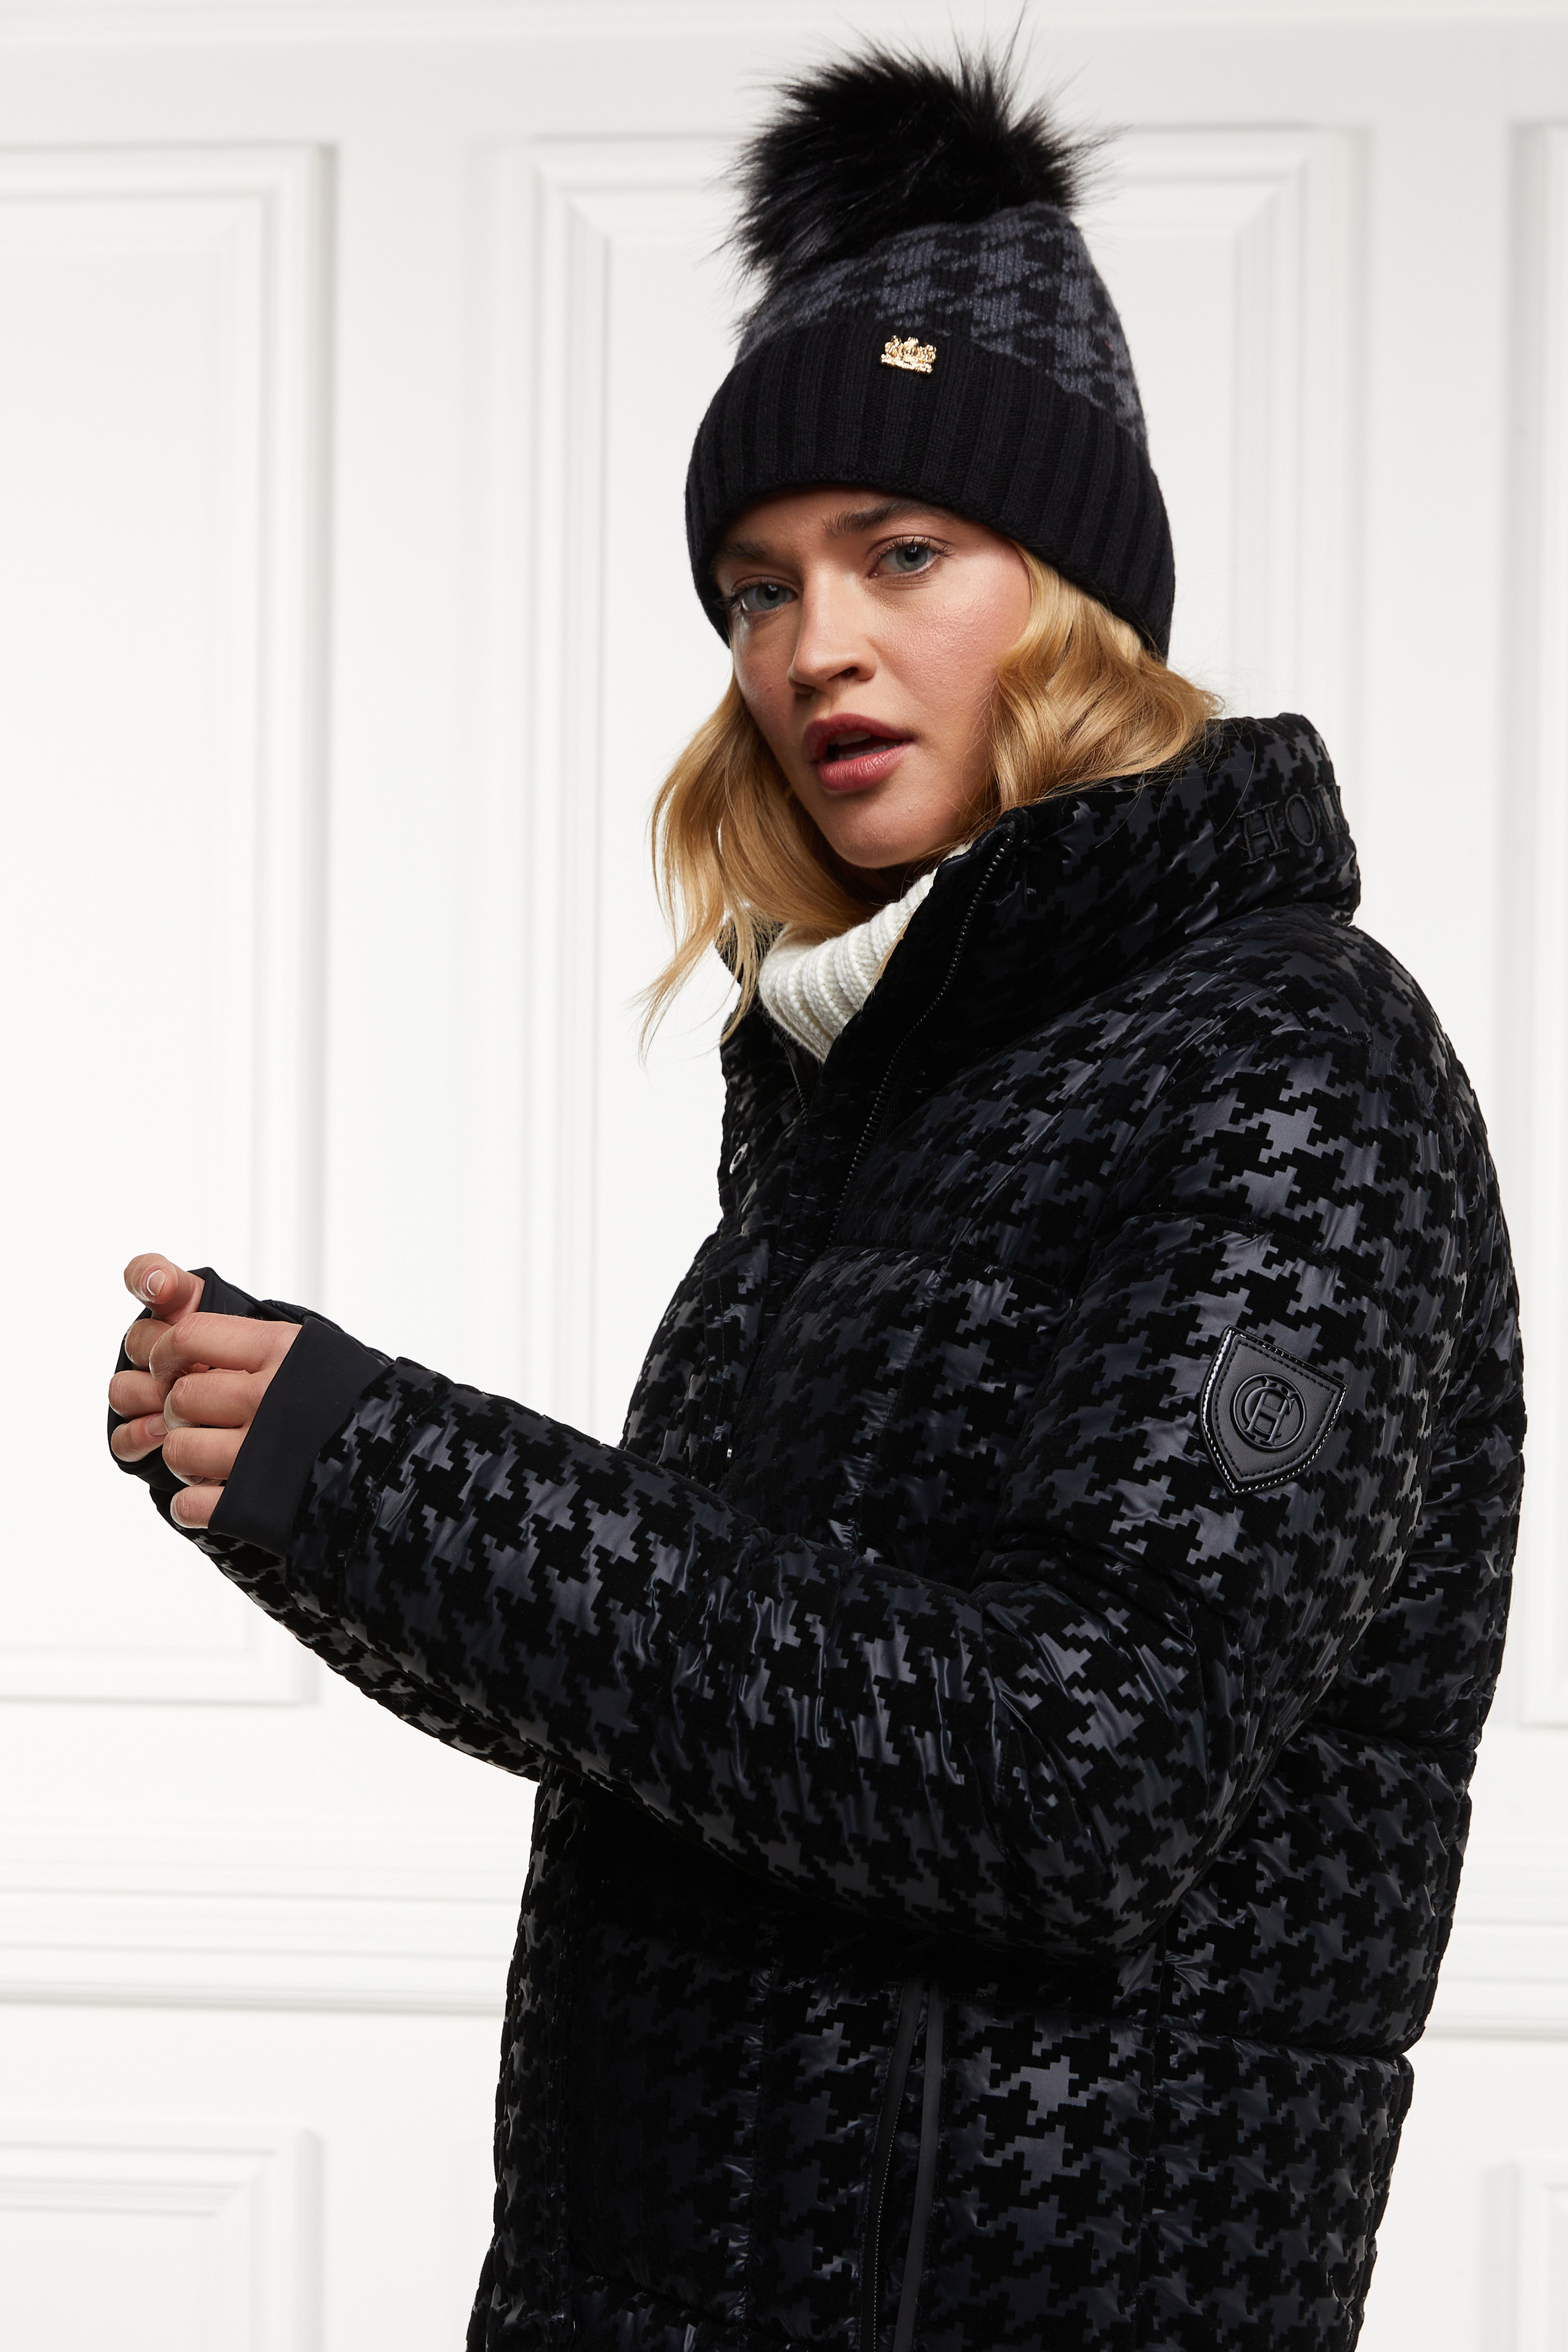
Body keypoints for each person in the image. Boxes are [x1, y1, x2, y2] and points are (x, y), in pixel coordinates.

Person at [106, 46, 1523, 2352]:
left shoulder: (1294, 1068)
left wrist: (390, 1470)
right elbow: (700, 1719)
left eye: (904, 554)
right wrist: (289, 1479)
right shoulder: (867, 1089)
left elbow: (1074, 1779)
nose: (814, 649)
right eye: (757, 589)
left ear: (1076, 592)